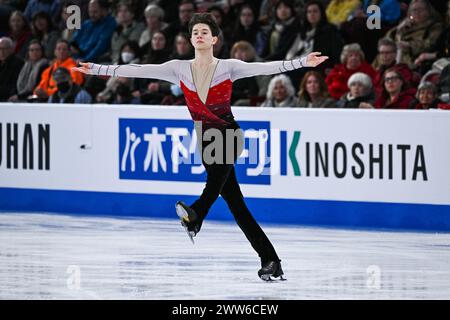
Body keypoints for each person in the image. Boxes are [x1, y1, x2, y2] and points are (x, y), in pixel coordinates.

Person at [73, 12, 328, 281]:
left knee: (214, 184)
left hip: (229, 134)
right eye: (195, 32)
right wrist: (98, 69)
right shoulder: (178, 69)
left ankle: (196, 214)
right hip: (205, 139)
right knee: (236, 205)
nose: (199, 35)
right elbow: (138, 70)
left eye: (205, 32)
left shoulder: (229, 66)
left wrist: (303, 62)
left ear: (214, 39)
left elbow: (266, 67)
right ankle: (270, 259)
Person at [0, 37, 24, 101]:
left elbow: (15, 86)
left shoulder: (18, 63)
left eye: (5, 49)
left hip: (8, 98)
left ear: (11, 49)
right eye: (0, 49)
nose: (2, 52)